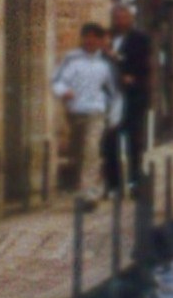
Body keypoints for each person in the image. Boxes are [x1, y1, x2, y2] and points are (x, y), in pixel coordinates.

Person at [50, 20, 121, 194]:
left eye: (94, 38)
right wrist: (64, 91)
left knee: (91, 148)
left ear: (101, 41)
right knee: (78, 151)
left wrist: (114, 115)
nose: (90, 41)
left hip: (96, 112)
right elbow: (56, 81)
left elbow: (114, 91)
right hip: (75, 111)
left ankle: (88, 190)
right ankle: (84, 183)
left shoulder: (107, 63)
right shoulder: (71, 58)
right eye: (87, 37)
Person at [111, 15, 155, 192]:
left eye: (123, 17)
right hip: (110, 98)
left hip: (134, 96)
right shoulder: (107, 38)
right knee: (110, 141)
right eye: (117, 17)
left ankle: (134, 179)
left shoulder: (140, 39)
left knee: (134, 139)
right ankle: (114, 184)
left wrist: (130, 76)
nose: (119, 20)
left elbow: (144, 66)